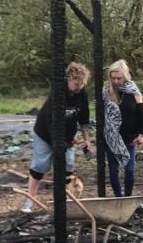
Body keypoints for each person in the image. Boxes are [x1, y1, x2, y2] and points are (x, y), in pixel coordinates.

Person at [22, 62, 93, 213]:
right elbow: (51, 119)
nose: (78, 87)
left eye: (81, 84)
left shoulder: (82, 94)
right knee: (40, 165)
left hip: (67, 134)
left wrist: (86, 139)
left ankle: (67, 201)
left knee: (68, 165)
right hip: (45, 133)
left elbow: (84, 118)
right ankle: (29, 200)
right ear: (69, 79)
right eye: (76, 83)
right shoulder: (58, 92)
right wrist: (56, 143)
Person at [102, 59, 143, 197]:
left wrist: (141, 134)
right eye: (113, 78)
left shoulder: (134, 91)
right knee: (113, 170)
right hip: (111, 136)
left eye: (119, 78)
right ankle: (118, 197)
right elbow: (101, 113)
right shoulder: (105, 91)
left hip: (129, 137)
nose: (116, 81)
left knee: (130, 170)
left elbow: (140, 113)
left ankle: (127, 196)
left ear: (125, 76)